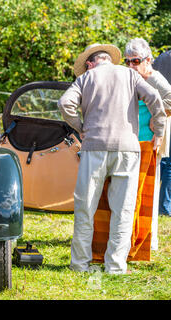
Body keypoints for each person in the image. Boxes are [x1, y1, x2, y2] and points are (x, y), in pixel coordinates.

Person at [58, 43, 167, 274]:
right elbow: (155, 98)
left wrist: (80, 126)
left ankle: (79, 264)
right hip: (127, 149)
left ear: (90, 62)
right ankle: (115, 266)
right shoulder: (130, 74)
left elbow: (64, 103)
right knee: (123, 209)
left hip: (94, 148)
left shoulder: (85, 79)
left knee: (85, 207)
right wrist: (159, 130)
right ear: (109, 59)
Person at [124, 39, 171, 252]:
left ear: (148, 61)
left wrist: (158, 115)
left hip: (151, 142)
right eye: (128, 61)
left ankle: (148, 241)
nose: (132, 65)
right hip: (130, 141)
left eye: (136, 61)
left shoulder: (154, 78)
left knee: (149, 194)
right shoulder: (129, 78)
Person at [152, 49, 171, 218]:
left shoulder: (161, 57)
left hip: (157, 112)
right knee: (168, 162)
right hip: (168, 112)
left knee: (163, 160)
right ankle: (165, 206)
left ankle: (159, 202)